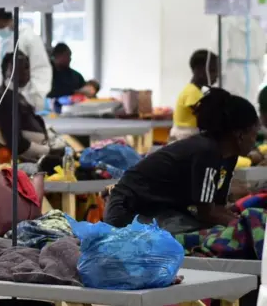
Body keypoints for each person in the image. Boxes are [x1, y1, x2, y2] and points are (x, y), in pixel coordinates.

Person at [104, 88, 259, 234]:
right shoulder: (207, 151)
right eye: (254, 134)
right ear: (240, 135)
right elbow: (207, 213)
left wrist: (240, 223)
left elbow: (217, 207)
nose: (255, 141)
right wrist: (244, 228)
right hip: (128, 209)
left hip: (159, 209)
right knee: (194, 234)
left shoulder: (228, 157)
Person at [0, 51, 62, 163]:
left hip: (36, 152)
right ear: (8, 71)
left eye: (27, 67)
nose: (27, 72)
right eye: (21, 67)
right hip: (20, 160)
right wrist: (47, 151)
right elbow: (16, 143)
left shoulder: (15, 95)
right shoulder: (2, 98)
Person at [0, 8, 51, 114]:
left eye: (1, 26)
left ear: (9, 20)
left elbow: (40, 69)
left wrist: (35, 96)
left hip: (25, 97)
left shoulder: (29, 38)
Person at [170, 50, 219, 141]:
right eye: (213, 70)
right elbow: (209, 118)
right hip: (185, 142)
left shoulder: (197, 91)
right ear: (199, 70)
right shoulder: (192, 93)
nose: (217, 75)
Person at [217, 16, 266, 104]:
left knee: (232, 101)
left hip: (233, 70)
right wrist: (260, 73)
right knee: (251, 101)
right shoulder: (256, 24)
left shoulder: (226, 23)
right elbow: (261, 51)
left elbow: (222, 49)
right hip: (252, 70)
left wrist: (221, 72)